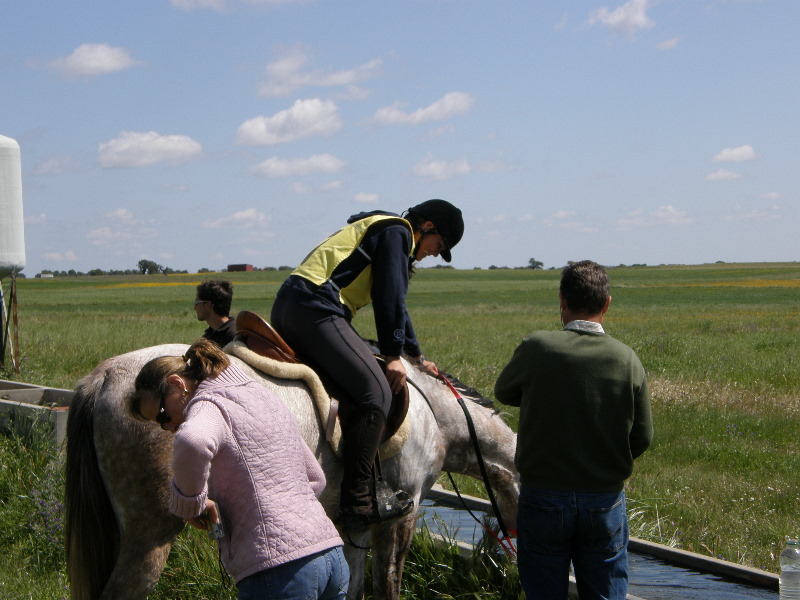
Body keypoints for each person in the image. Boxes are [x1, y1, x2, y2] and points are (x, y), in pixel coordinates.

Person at [270, 199, 464, 533]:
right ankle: (358, 500)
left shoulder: (385, 229)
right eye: (440, 245)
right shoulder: (397, 231)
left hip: (295, 305)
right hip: (316, 307)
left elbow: (396, 305)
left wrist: (415, 357)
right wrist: (392, 356)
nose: (435, 253)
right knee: (376, 391)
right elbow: (388, 296)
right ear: (428, 227)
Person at [129, 338, 349, 600]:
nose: (170, 428)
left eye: (164, 416)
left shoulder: (208, 405)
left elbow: (193, 441)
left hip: (279, 572)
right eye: (162, 426)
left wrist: (189, 505)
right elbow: (315, 478)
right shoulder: (261, 395)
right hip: (331, 557)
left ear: (178, 384)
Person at [494, 260, 653, 600]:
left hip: (543, 495)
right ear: (607, 303)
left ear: (562, 302)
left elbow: (504, 392)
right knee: (606, 590)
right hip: (604, 498)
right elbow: (642, 436)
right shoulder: (626, 358)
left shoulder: (537, 347)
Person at [195, 279, 236, 348]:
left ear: (208, 305)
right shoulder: (207, 336)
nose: (194, 307)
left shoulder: (235, 336)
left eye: (196, 303)